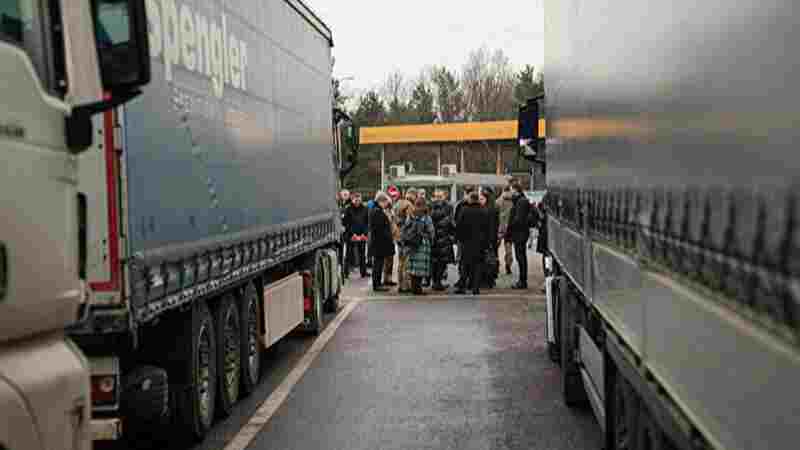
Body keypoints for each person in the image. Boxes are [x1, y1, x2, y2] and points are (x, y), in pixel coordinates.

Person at [455, 192, 488, 295]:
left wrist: (458, 239)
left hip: (466, 242)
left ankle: (462, 287)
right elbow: (487, 228)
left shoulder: (464, 210)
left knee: (465, 264)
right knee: (478, 265)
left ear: (470, 199)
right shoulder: (484, 211)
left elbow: (459, 226)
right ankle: (476, 288)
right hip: (480, 242)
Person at [404, 197, 434, 295]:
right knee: (421, 268)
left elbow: (406, 227)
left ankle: (414, 288)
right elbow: (431, 231)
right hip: (423, 243)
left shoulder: (411, 215)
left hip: (412, 244)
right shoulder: (426, 217)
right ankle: (419, 289)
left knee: (413, 268)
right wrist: (430, 240)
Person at [368, 192, 395, 292]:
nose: (386, 205)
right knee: (378, 265)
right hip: (379, 243)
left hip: (377, 242)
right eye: (385, 202)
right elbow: (380, 229)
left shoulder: (376, 210)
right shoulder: (377, 211)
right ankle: (377, 284)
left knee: (378, 264)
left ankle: (378, 283)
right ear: (381, 201)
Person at [430, 190, 455, 291]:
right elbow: (451, 222)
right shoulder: (448, 207)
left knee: (434, 261)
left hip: (434, 238)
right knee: (442, 262)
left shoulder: (431, 207)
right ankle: (438, 282)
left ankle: (435, 282)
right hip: (444, 238)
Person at [508, 183, 532, 289]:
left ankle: (522, 281)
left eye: (511, 190)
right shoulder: (521, 200)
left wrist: (511, 226)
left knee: (520, 257)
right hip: (521, 233)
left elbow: (519, 219)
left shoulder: (521, 202)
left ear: (516, 190)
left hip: (520, 233)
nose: (510, 192)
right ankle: (522, 280)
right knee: (521, 257)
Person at [453, 185, 476, 290]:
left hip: (463, 238)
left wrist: (456, 236)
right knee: (471, 261)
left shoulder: (461, 205)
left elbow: (457, 222)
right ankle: (470, 281)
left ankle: (462, 280)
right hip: (474, 239)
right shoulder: (479, 206)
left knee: (462, 260)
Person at [395, 189, 418, 293]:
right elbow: (410, 221)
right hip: (406, 237)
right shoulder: (409, 205)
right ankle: (406, 285)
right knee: (407, 262)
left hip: (398, 235)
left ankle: (400, 284)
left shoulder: (398, 203)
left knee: (400, 261)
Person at [343, 193, 369, 278]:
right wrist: (352, 234)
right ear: (352, 199)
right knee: (348, 254)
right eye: (355, 199)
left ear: (361, 199)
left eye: (359, 199)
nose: (357, 201)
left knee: (362, 254)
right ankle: (345, 272)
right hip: (351, 235)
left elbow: (367, 223)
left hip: (362, 235)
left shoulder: (365, 209)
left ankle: (363, 272)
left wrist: (363, 234)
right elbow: (346, 223)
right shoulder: (348, 209)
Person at [479, 189, 500, 289]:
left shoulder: (488, 210)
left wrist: (490, 241)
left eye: (482, 198)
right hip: (492, 238)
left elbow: (490, 226)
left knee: (486, 260)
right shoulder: (494, 208)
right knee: (491, 259)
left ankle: (487, 280)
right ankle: (490, 280)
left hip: (487, 239)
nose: (480, 200)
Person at [495, 186, 515, 275]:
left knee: (495, 248)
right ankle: (508, 265)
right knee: (508, 248)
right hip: (509, 227)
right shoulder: (513, 201)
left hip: (499, 227)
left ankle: (495, 265)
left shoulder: (498, 201)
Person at [382, 197, 398, 286]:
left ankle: (389, 278)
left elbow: (394, 223)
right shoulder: (384, 213)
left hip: (392, 238)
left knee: (390, 259)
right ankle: (386, 278)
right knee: (387, 260)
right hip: (387, 238)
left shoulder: (391, 212)